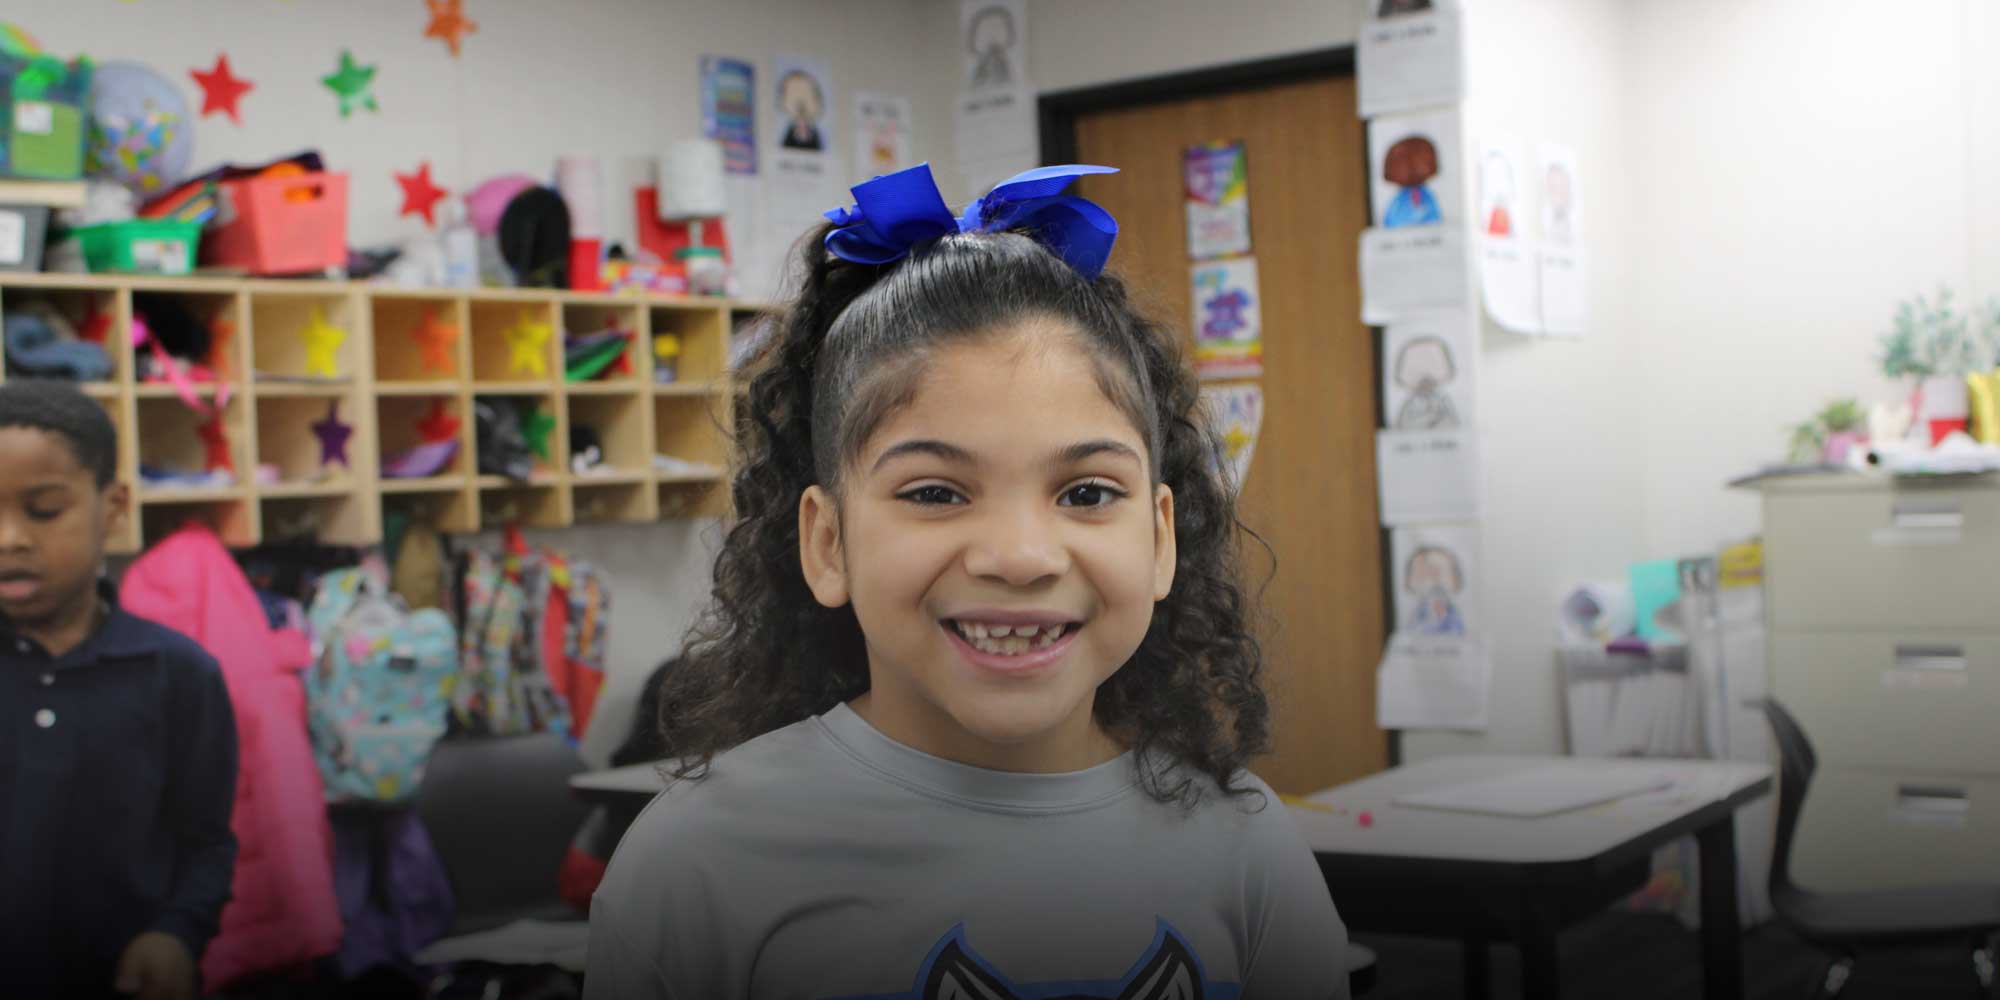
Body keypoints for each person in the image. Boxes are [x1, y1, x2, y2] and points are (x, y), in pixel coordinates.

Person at [587, 163, 1348, 998]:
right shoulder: (699, 864)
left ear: (1161, 537)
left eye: (1086, 492)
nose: (1021, 556)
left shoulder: (1243, 850)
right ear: (829, 542)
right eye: (936, 493)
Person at [0, 380, 237, 999]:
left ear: (113, 506)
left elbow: (207, 843)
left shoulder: (178, 674)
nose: (9, 540)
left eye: (43, 510)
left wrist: (176, 934)